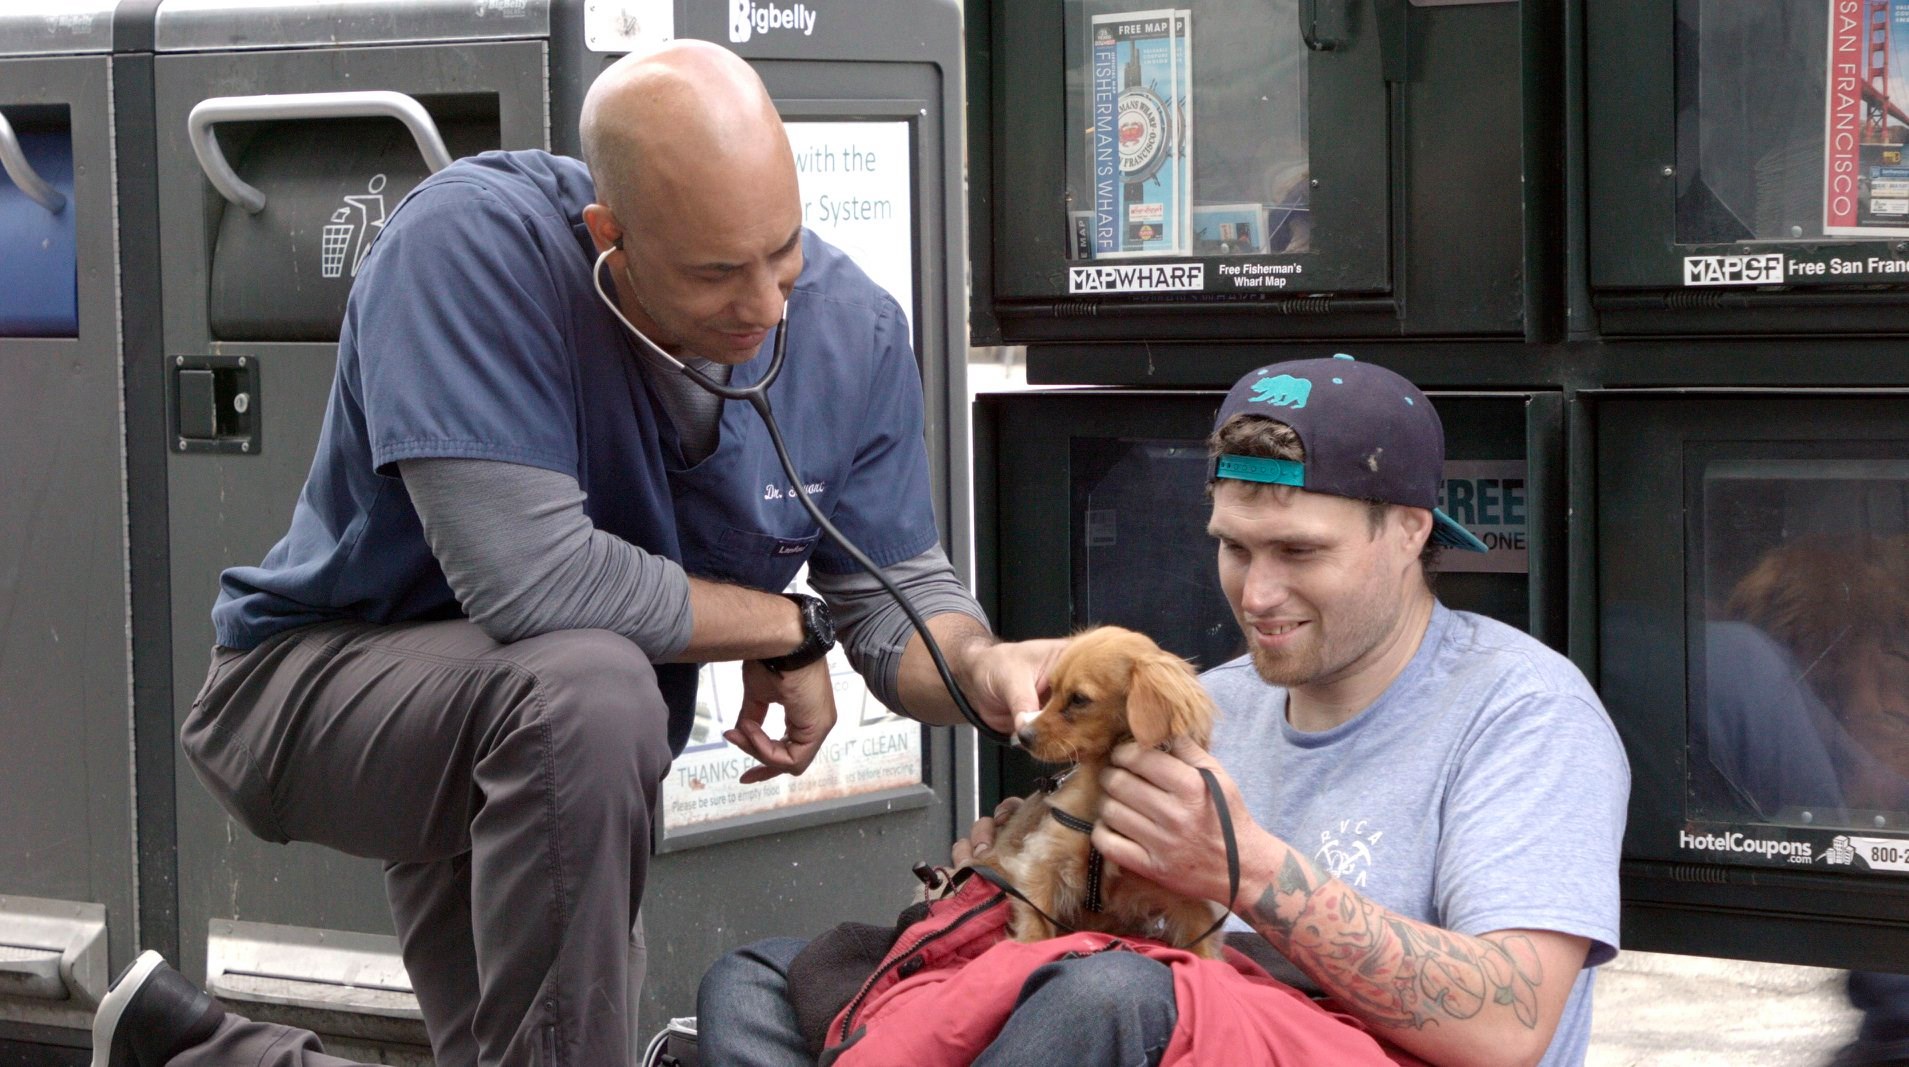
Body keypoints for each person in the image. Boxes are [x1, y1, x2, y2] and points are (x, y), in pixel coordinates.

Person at [89, 41, 1056, 1067]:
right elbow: (535, 581)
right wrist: (784, 621)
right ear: (611, 237)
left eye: (783, 253)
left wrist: (984, 668)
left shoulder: (851, 332)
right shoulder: (470, 247)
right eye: (718, 274)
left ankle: (194, 1050)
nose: (768, 306)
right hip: (320, 688)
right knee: (592, 685)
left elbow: (895, 594)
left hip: (544, 745)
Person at [697, 355, 1629, 1067]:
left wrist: (1249, 871)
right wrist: (1019, 875)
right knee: (764, 980)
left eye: (1299, 551)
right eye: (1234, 547)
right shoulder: (1203, 702)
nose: (1256, 593)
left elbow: (1511, 1027)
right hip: (1155, 1023)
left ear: (1410, 530)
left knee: (1104, 996)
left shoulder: (1523, 713)